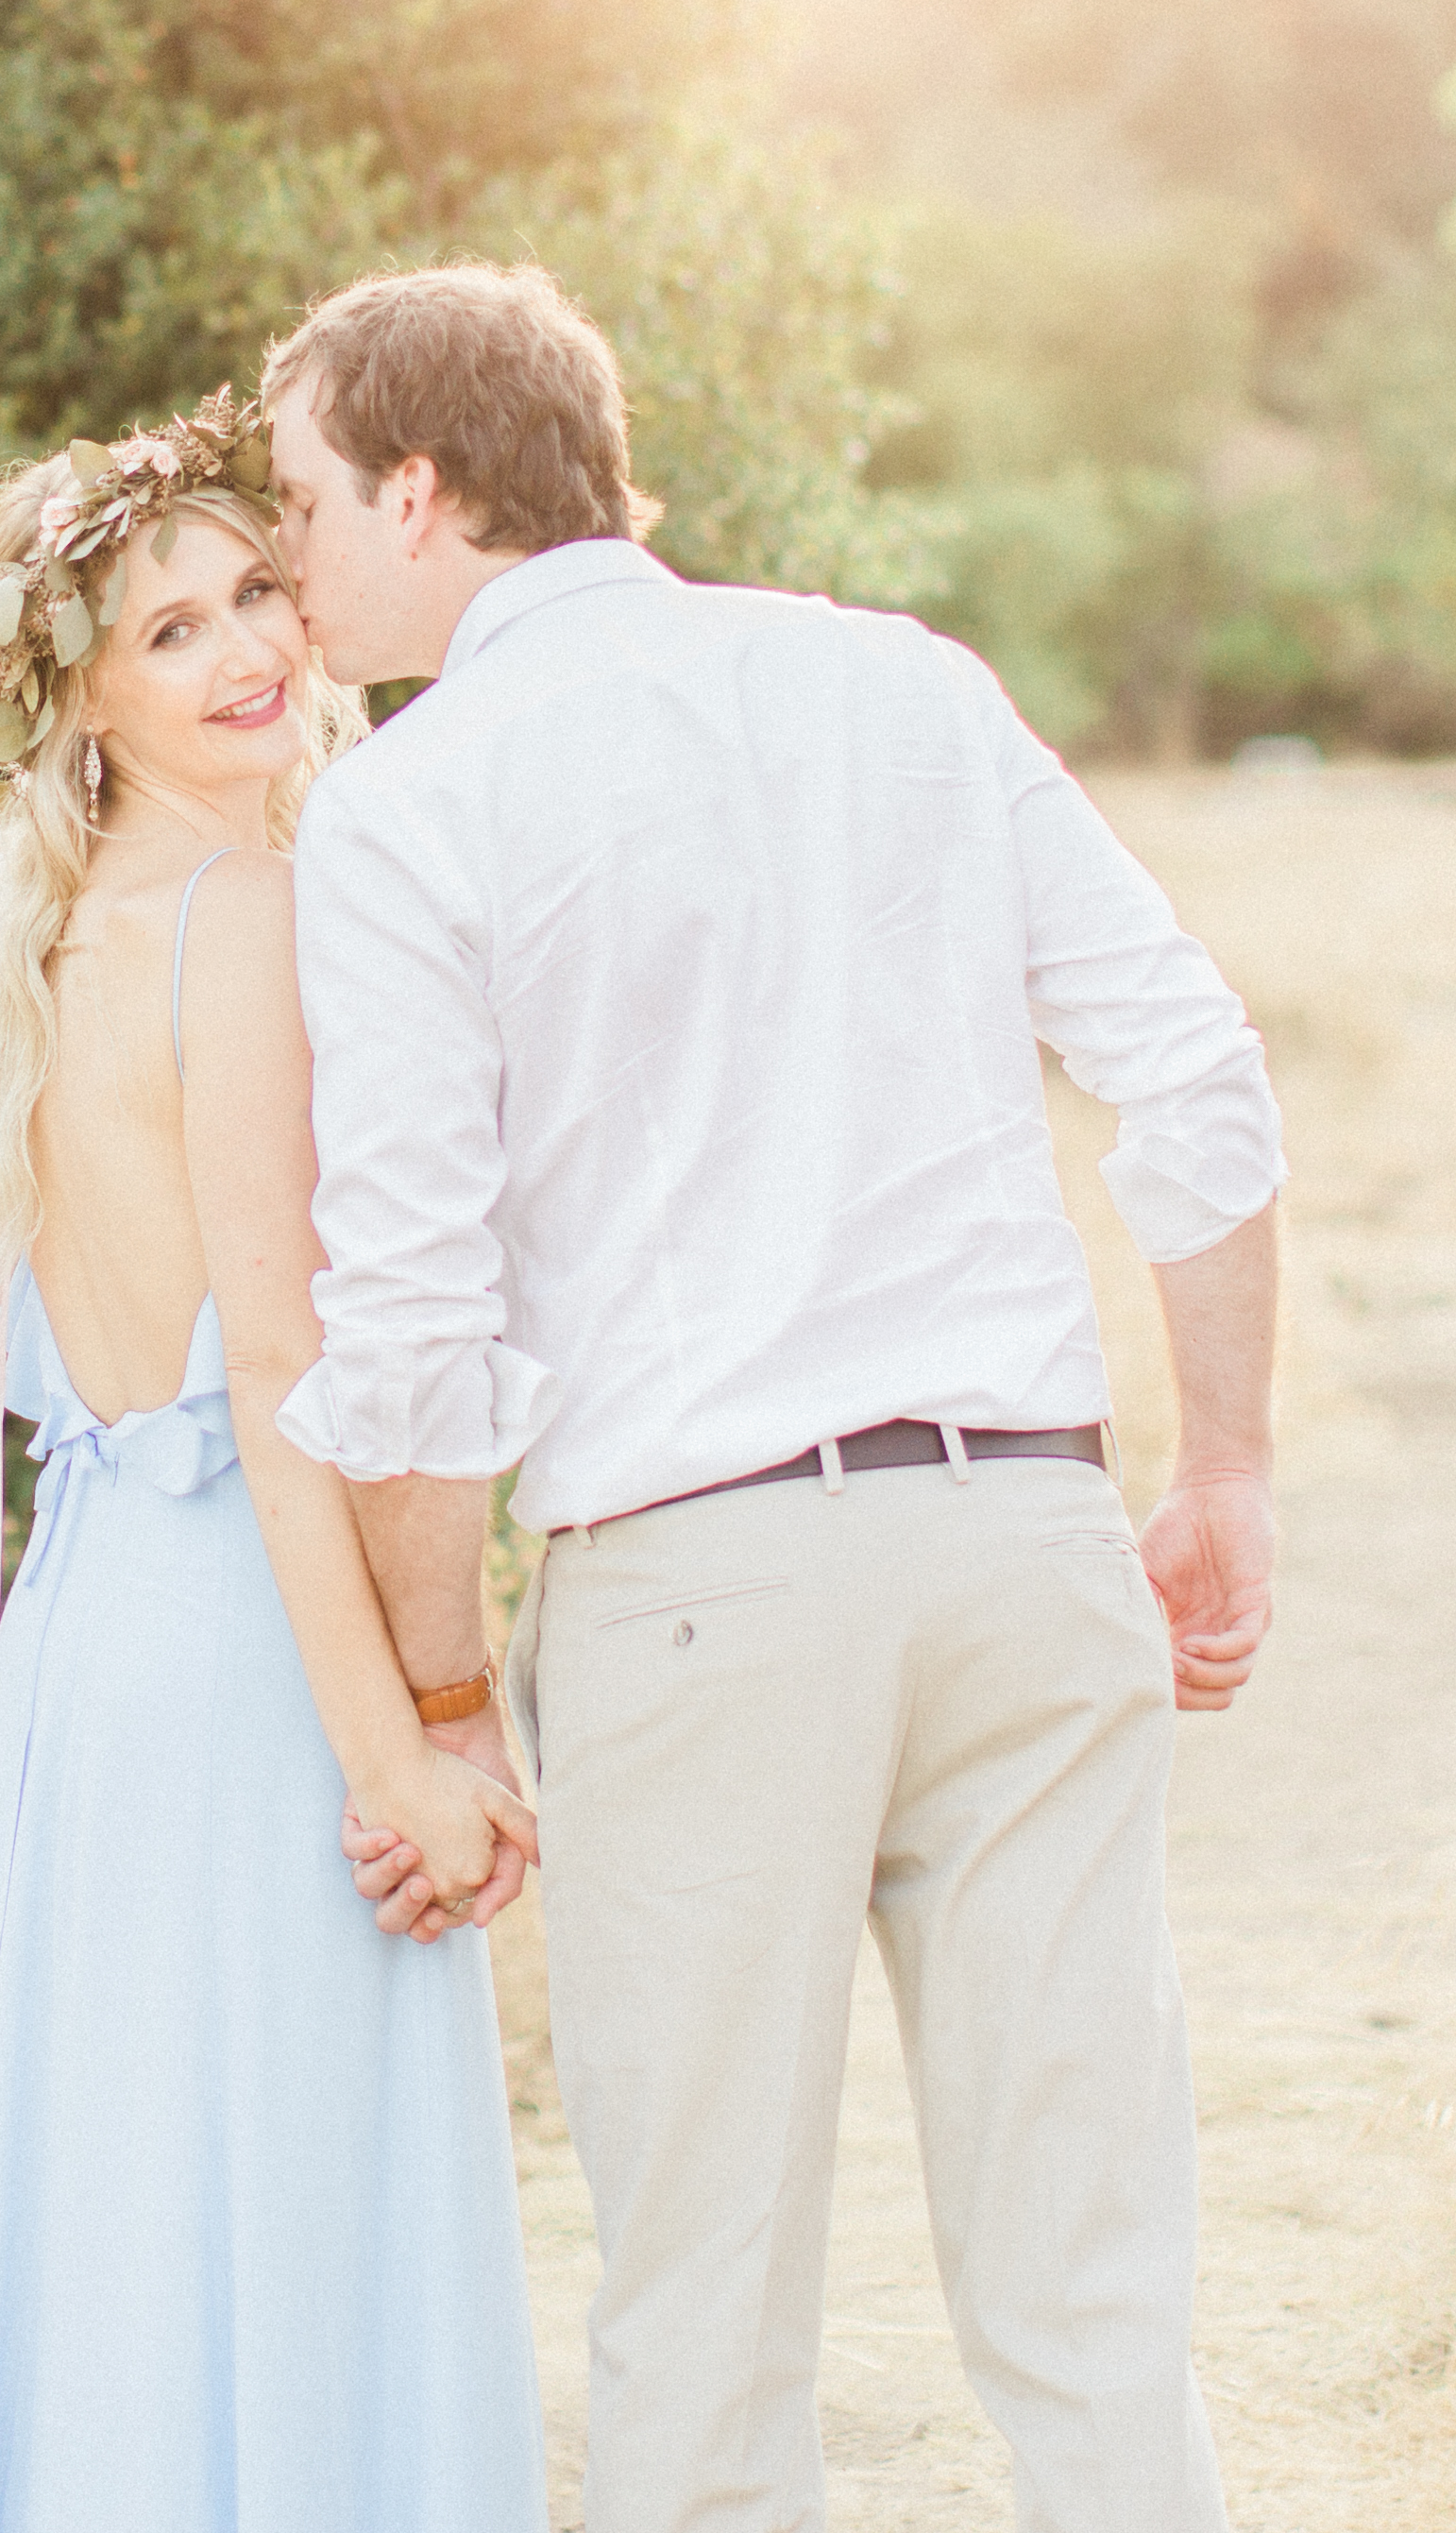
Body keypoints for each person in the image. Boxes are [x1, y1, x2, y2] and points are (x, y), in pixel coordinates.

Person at [261, 262, 1291, 2533]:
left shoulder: (411, 807)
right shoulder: (901, 688)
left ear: (423, 492)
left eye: (313, 499)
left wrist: (443, 1694)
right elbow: (1196, 1073)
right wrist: (1224, 1463)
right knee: (1092, 2287)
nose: (297, 564)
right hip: (1027, 1536)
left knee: (705, 2317)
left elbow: (412, 1330)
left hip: (703, 1588)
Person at [0, 396, 550, 2533]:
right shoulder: (248, 914)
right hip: (256, 1664)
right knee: (297, 2224)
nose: (251, 644)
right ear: (80, 693)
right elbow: (277, 1373)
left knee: (127, 2234)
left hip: (89, 1662)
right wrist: (411, 1757)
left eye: (260, 588)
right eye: (171, 630)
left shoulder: (48, 944)